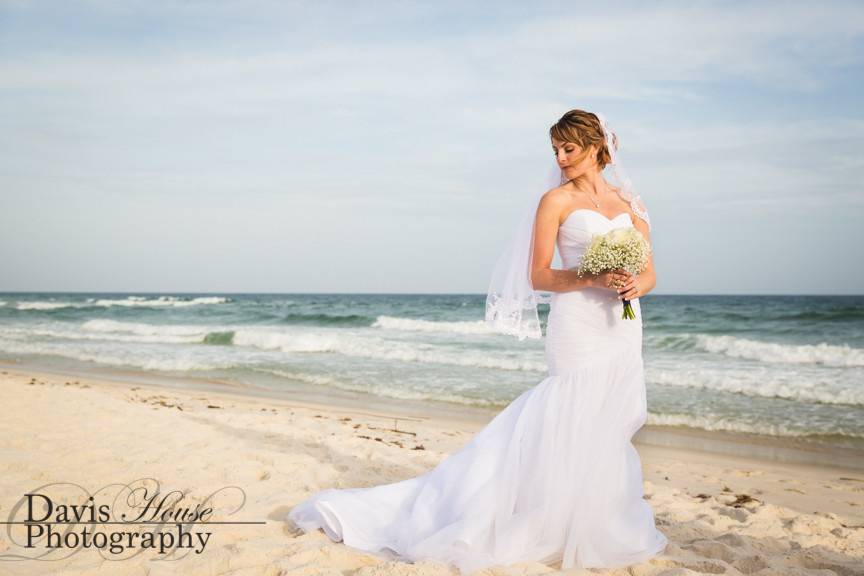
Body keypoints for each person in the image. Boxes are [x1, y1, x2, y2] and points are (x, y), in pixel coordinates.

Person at [286, 109, 669, 573]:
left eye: (569, 149)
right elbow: (539, 275)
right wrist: (594, 274)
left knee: (610, 420)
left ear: (596, 147)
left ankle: (594, 521)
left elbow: (649, 271)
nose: (561, 158)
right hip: (578, 324)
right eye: (556, 151)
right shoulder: (555, 202)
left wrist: (633, 286)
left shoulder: (631, 202)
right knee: (567, 412)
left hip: (622, 325)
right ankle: (538, 518)